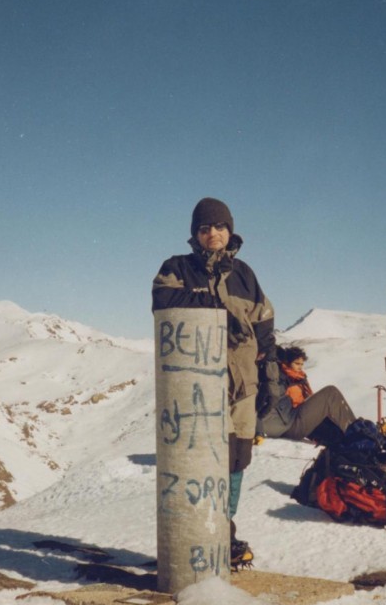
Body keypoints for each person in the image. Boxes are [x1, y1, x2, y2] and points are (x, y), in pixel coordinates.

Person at [152, 197, 275, 566]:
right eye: (205, 228)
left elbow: (265, 323)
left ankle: (225, 529)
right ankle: (205, 537)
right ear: (195, 234)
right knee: (204, 460)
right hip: (200, 388)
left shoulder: (245, 275)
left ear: (230, 230)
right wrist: (215, 308)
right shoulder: (176, 268)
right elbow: (163, 299)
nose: (213, 234)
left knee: (236, 460)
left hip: (242, 384)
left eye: (219, 227)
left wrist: (270, 376)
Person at [257, 345, 356, 444]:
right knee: (331, 393)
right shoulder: (284, 380)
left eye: (301, 364)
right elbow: (297, 404)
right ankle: (357, 433)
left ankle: (354, 433)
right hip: (291, 423)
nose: (300, 367)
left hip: (293, 420)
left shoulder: (298, 378)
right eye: (297, 363)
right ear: (287, 362)